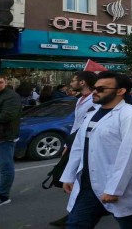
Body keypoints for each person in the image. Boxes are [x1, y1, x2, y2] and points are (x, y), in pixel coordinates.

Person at [60, 72, 132, 228]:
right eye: (95, 88)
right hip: (87, 186)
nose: (95, 92)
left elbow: (129, 156)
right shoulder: (92, 114)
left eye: (101, 89)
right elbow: (79, 147)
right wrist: (68, 175)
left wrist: (114, 189)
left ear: (120, 91)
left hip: (115, 185)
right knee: (76, 224)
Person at [49, 71, 99, 227]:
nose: (71, 83)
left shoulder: (94, 101)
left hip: (87, 144)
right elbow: (77, 125)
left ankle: (74, 215)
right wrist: (67, 144)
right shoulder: (80, 99)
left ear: (83, 82)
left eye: (73, 80)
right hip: (75, 142)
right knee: (79, 179)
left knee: (80, 180)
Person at [0, 75, 22, 206]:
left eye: (0, 82)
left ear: (5, 82)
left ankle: (3, 195)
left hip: (5, 137)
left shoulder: (11, 96)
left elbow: (7, 116)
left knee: (6, 167)